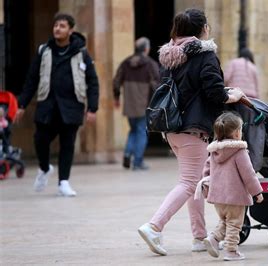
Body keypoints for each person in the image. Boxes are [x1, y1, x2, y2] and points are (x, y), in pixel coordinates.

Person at [137, 8, 245, 256]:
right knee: (188, 183)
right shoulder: (204, 55)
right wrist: (234, 95)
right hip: (193, 130)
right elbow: (214, 93)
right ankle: (154, 227)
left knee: (195, 182)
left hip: (172, 129)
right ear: (202, 29)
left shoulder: (169, 56)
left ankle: (198, 237)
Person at [16, 13, 99, 196]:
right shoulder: (44, 51)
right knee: (40, 140)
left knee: (67, 144)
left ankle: (63, 182)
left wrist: (92, 108)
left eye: (62, 26)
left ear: (71, 30)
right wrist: (21, 104)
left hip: (72, 106)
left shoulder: (81, 52)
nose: (57, 29)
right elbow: (32, 80)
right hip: (48, 105)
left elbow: (92, 81)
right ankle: (45, 168)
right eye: (55, 25)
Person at [196, 112, 263, 261]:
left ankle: (213, 238)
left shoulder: (214, 151)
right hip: (235, 196)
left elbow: (206, 171)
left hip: (218, 197)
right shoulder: (239, 152)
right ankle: (231, 251)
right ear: (237, 132)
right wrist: (257, 191)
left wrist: (208, 187)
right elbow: (249, 174)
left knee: (225, 221)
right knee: (234, 224)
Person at [113, 37, 160, 170]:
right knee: (141, 132)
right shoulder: (150, 64)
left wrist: (116, 98)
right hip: (144, 104)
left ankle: (128, 154)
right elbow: (157, 84)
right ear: (146, 48)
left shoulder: (125, 63)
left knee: (133, 130)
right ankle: (137, 162)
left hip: (129, 104)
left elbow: (116, 81)